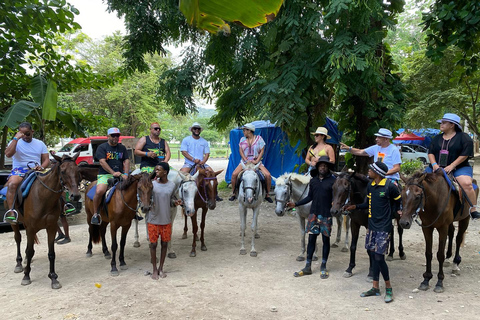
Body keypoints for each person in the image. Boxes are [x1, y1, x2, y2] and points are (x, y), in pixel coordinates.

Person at [344, 161, 401, 303]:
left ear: (378, 173)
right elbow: (367, 204)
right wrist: (354, 206)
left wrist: (396, 212)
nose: (368, 171)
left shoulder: (390, 187)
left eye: (371, 170)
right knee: (372, 254)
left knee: (379, 258)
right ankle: (375, 288)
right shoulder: (371, 186)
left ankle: (388, 288)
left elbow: (398, 201)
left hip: (384, 227)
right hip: (372, 226)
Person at [286, 156, 336, 279]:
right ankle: (308, 266)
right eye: (320, 165)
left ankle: (323, 266)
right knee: (312, 239)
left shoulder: (333, 181)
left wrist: (335, 203)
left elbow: (337, 196)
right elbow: (309, 197)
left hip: (326, 215)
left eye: (325, 166)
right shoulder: (313, 181)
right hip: (313, 214)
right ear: (317, 167)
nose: (323, 167)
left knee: (325, 240)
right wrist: (296, 204)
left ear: (328, 167)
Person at [428, 113, 480, 220]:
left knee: (466, 184)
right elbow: (431, 152)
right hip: (436, 166)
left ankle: (473, 210)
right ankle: (416, 209)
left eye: (444, 123)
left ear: (452, 125)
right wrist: (434, 164)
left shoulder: (464, 138)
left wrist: (452, 165)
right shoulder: (436, 138)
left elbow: (465, 154)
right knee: (418, 182)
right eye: (441, 122)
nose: (441, 124)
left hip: (459, 167)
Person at [3, 122, 50, 224]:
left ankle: (65, 206)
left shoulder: (40, 143)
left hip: (36, 169)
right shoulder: (15, 142)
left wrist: (41, 167)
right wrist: (16, 139)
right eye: (22, 134)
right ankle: (11, 213)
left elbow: (46, 159)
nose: (25, 136)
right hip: (19, 170)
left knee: (56, 180)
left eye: (27, 134)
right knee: (12, 184)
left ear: (32, 132)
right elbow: (8, 154)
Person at [147, 162, 182, 280]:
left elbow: (171, 199)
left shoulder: (172, 185)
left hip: (166, 219)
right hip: (153, 218)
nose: (156, 172)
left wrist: (175, 202)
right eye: (155, 170)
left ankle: (161, 267)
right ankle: (154, 269)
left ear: (165, 172)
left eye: (159, 170)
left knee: (164, 244)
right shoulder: (151, 184)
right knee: (153, 244)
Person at [90, 128, 130, 225]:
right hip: (105, 174)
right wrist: (113, 172)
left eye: (117, 135)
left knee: (133, 188)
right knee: (99, 191)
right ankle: (95, 214)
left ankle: (133, 212)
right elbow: (102, 162)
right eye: (113, 135)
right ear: (108, 136)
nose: (116, 137)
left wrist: (126, 174)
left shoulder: (122, 148)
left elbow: (127, 160)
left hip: (120, 174)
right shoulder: (102, 147)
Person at [228, 123, 273, 203]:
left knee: (268, 175)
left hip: (256, 162)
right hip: (245, 162)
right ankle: (234, 193)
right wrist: (245, 159)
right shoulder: (242, 139)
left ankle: (267, 194)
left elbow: (262, 150)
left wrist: (256, 161)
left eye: (244, 130)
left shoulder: (259, 139)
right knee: (234, 175)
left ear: (249, 131)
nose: (243, 132)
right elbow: (240, 150)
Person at [180, 122, 222, 201]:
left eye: (198, 129)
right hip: (189, 163)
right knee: (181, 174)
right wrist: (193, 159)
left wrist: (203, 161)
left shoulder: (204, 141)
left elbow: (207, 153)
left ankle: (215, 194)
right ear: (192, 129)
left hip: (202, 163)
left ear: (200, 130)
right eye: (195, 128)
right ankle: (180, 195)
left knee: (212, 174)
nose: (197, 130)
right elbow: (184, 152)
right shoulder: (186, 140)